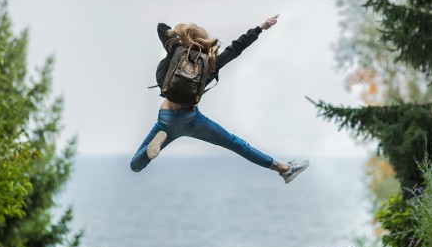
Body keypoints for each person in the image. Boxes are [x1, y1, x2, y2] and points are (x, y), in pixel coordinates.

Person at [130, 15, 309, 184]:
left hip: (166, 119)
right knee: (235, 144)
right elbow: (236, 48)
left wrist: (180, 39)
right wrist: (260, 28)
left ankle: (147, 154)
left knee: (135, 165)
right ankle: (283, 169)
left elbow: (161, 27)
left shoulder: (176, 50)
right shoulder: (209, 63)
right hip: (192, 120)